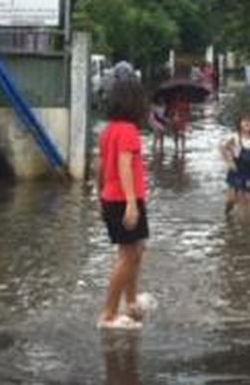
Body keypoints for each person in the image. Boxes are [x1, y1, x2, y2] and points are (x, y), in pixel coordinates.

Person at [96, 76, 150, 329]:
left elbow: (100, 166)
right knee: (129, 255)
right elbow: (124, 165)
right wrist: (130, 203)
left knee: (134, 251)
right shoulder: (128, 131)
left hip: (112, 197)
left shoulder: (108, 131)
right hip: (124, 199)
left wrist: (99, 196)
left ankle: (130, 302)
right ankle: (108, 314)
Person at [221, 113, 250, 218]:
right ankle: (227, 213)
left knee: (248, 196)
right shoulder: (235, 137)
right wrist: (229, 161)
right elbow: (223, 148)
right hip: (236, 170)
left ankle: (248, 220)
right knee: (231, 198)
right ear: (239, 124)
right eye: (244, 121)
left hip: (249, 172)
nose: (247, 123)